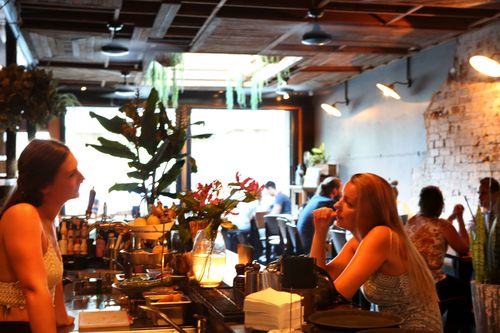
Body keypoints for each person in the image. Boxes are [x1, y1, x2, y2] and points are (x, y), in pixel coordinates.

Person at [310, 173, 442, 332]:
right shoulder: (357, 242)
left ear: (368, 212)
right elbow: (318, 283)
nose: (337, 205)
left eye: (348, 203)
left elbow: (330, 297)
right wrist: (319, 232)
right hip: (388, 326)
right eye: (341, 198)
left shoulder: (382, 235)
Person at [0, 139, 83, 333]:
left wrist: (61, 318)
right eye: (72, 174)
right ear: (45, 185)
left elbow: (52, 282)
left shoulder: (46, 219)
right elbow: (35, 291)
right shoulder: (22, 215)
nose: (82, 177)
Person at [405, 185, 472, 333]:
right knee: (467, 292)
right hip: (433, 283)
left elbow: (434, 228)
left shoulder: (412, 221)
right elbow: (464, 247)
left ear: (421, 203)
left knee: (457, 288)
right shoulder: (443, 225)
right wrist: (460, 218)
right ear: (440, 205)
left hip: (410, 281)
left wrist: (452, 218)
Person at [297, 177, 342, 254]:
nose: (342, 192)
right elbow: (340, 224)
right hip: (310, 248)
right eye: (341, 189)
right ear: (335, 190)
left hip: (302, 245)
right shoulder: (328, 203)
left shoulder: (316, 199)